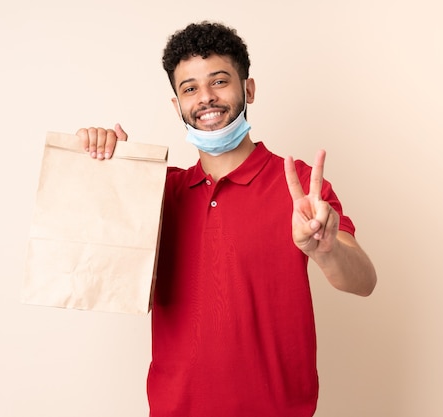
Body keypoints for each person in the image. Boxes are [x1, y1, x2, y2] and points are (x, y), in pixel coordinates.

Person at [76, 21, 376, 417]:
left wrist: (325, 250)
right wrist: (114, 170)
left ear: (248, 89)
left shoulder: (299, 185)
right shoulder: (157, 191)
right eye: (189, 89)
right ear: (176, 105)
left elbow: (364, 281)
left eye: (219, 81)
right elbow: (104, 271)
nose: (206, 99)